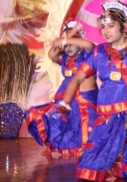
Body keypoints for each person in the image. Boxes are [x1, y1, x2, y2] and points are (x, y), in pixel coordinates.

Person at [58, 1, 127, 182]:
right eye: (103, 26)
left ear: (124, 25)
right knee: (88, 170)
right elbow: (78, 77)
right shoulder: (99, 52)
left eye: (111, 25)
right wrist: (65, 101)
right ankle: (114, 161)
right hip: (106, 116)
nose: (105, 31)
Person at [25, 20, 97, 156]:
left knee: (85, 126)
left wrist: (68, 38)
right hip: (68, 98)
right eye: (66, 45)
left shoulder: (87, 55)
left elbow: (89, 44)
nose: (68, 47)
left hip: (84, 98)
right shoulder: (65, 59)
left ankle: (88, 151)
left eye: (72, 43)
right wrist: (64, 40)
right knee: (66, 126)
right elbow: (51, 55)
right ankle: (74, 149)